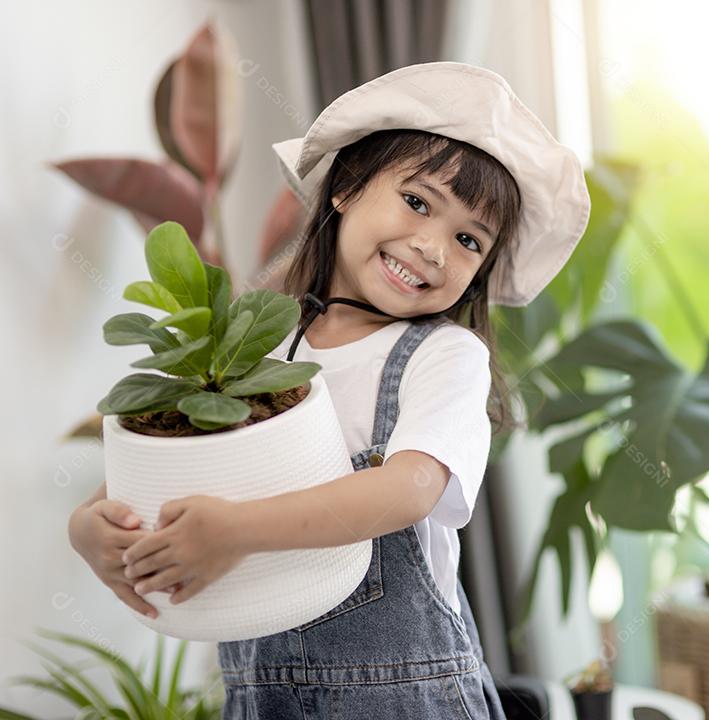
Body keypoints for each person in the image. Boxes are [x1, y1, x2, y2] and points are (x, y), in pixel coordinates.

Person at [66, 61, 591, 718]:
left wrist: (237, 529)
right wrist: (91, 527)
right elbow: (153, 466)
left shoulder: (443, 356)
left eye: (467, 240)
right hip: (261, 699)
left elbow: (408, 490)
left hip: (405, 700)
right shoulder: (250, 345)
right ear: (344, 186)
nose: (432, 248)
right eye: (418, 201)